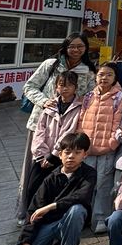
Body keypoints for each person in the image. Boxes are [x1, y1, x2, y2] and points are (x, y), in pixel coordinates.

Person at [17, 32, 96, 223]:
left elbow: (91, 97)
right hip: (42, 124)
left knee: (61, 173)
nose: (76, 50)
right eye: (72, 46)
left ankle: (52, 213)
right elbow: (29, 87)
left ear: (86, 48)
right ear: (65, 47)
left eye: (80, 46)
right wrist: (44, 101)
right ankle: (26, 212)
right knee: (34, 171)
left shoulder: (88, 71)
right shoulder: (51, 65)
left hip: (69, 129)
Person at [6, 132, 96, 245]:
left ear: (85, 155)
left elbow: (82, 196)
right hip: (48, 226)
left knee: (77, 210)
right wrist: (25, 243)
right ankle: (55, 244)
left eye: (77, 152)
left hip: (70, 221)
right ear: (60, 154)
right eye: (67, 152)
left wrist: (51, 206)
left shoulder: (89, 174)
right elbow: (33, 211)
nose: (71, 156)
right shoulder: (50, 179)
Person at [25, 71, 82, 209]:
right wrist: (42, 154)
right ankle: (30, 215)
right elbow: (39, 131)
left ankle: (48, 216)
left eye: (69, 85)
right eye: (61, 85)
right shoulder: (50, 105)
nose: (65, 88)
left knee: (54, 192)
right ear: (56, 87)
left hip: (61, 157)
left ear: (75, 87)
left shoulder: (79, 107)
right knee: (32, 188)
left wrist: (53, 155)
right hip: (42, 158)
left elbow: (69, 133)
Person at [80, 62, 122, 233]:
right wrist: (81, 143)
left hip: (107, 149)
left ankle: (100, 218)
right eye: (101, 74)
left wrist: (111, 143)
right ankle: (84, 216)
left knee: (103, 183)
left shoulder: (119, 97)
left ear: (115, 78)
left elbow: (118, 122)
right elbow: (81, 119)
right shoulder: (88, 96)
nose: (104, 78)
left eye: (109, 75)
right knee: (86, 183)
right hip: (87, 149)